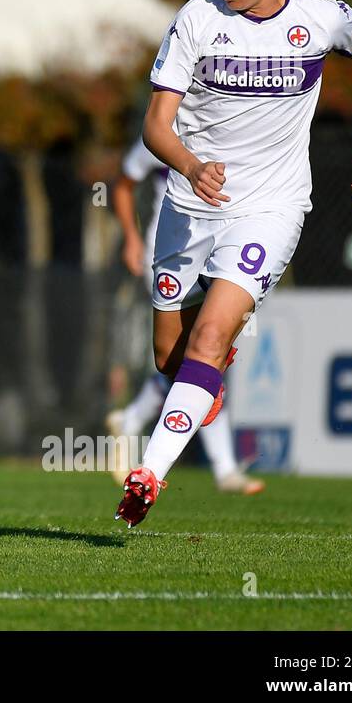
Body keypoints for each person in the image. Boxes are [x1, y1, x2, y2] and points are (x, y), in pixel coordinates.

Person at [115, 0, 352, 527]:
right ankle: (204, 383)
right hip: (188, 204)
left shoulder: (321, 20)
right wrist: (189, 166)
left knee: (211, 337)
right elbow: (156, 125)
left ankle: (147, 475)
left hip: (271, 206)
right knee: (170, 359)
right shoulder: (196, 20)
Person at [106, 136, 264, 495]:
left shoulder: (234, 124)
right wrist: (131, 238)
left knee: (206, 353)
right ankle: (224, 469)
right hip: (172, 254)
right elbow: (123, 185)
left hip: (224, 246)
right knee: (200, 357)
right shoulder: (163, 134)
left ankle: (133, 420)